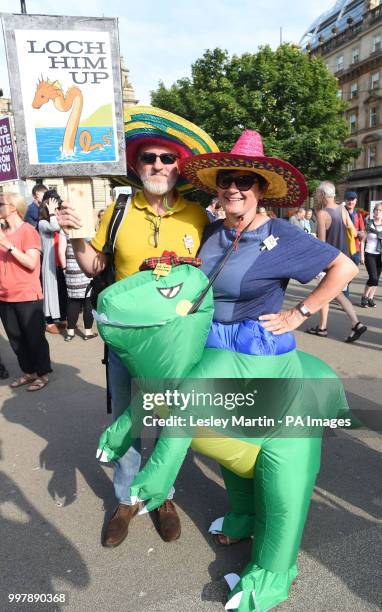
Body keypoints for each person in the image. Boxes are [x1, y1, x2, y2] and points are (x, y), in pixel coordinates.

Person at [97, 129, 358, 611]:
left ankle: (273, 575)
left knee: (279, 478)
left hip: (261, 357)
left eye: (244, 181)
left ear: (262, 189)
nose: (233, 189)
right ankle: (241, 516)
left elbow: (344, 266)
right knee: (230, 451)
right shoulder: (214, 233)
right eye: (225, 182)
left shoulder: (281, 236)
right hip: (213, 344)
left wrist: (300, 313)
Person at [57, 105, 218, 548]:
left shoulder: (198, 216)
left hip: (177, 345)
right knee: (127, 421)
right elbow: (94, 267)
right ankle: (127, 499)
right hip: (128, 345)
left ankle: (161, 494)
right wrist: (74, 234)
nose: (159, 166)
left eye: (167, 159)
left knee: (168, 419)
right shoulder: (120, 209)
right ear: (137, 163)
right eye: (150, 158)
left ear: (179, 166)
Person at [0, 192, 51, 391]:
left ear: (13, 207)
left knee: (34, 338)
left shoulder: (27, 230)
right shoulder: (3, 231)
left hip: (27, 295)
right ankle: (28, 372)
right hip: (4, 295)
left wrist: (7, 244)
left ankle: (43, 373)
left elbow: (31, 263)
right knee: (16, 340)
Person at [306, 181, 367, 342]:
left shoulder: (322, 214)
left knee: (331, 292)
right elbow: (353, 230)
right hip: (345, 259)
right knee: (332, 292)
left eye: (317, 193)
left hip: (330, 262)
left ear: (323, 195)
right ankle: (323, 327)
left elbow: (321, 244)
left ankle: (355, 323)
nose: (316, 196)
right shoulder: (342, 208)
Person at [38, 190, 65, 334]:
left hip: (59, 261)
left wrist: (57, 212)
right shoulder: (42, 222)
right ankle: (48, 322)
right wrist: (52, 212)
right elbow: (55, 227)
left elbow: (62, 227)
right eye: (53, 204)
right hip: (49, 262)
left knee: (59, 291)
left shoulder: (53, 217)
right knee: (49, 292)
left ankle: (56, 318)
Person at [63, 239, 98, 341]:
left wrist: (65, 269)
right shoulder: (89, 231)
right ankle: (88, 332)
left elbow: (61, 251)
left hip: (71, 272)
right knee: (88, 302)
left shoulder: (66, 230)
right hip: (86, 269)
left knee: (73, 302)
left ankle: (70, 332)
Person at [343, 190, 365, 299]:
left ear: (356, 201)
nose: (350, 201)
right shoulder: (341, 213)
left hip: (355, 249)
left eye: (352, 199)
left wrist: (360, 234)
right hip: (343, 249)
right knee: (344, 273)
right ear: (345, 200)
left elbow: (363, 234)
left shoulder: (359, 215)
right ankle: (345, 297)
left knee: (351, 274)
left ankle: (341, 290)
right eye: (348, 199)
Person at [361, 202, 382, 307]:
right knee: (373, 277)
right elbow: (363, 241)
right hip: (369, 254)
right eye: (376, 210)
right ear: (373, 211)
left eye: (380, 210)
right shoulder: (369, 224)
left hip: (380, 255)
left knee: (377, 278)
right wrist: (362, 255)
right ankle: (364, 296)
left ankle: (370, 298)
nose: (377, 212)